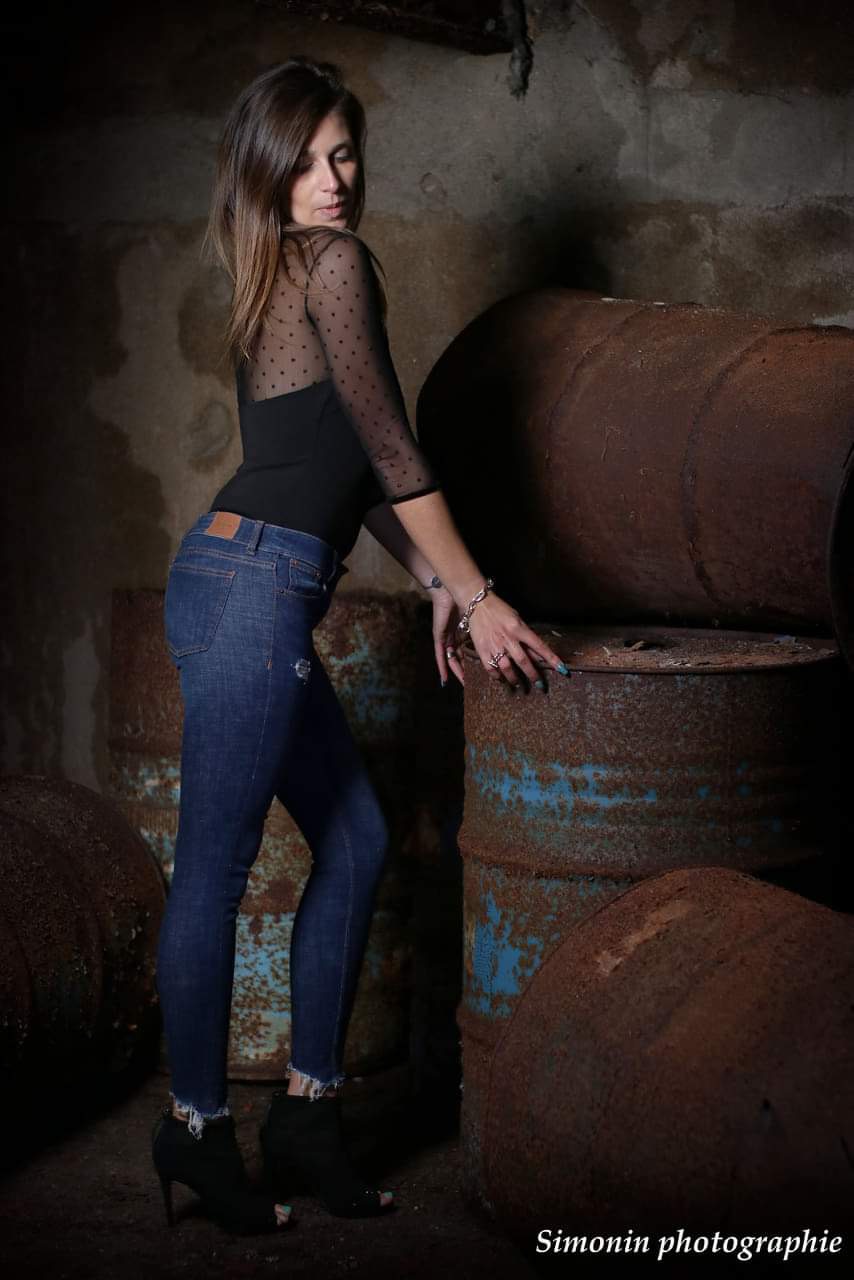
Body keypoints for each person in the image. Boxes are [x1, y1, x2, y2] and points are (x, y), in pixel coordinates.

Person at [151, 55, 570, 1237]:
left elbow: (346, 464)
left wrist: (430, 578)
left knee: (358, 836)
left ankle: (308, 1112)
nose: (333, 179)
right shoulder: (330, 264)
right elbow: (391, 446)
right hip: (250, 585)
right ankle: (193, 1127)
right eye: (308, 159)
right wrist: (478, 595)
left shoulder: (284, 271)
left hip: (246, 577)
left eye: (345, 155)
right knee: (216, 868)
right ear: (266, 169)